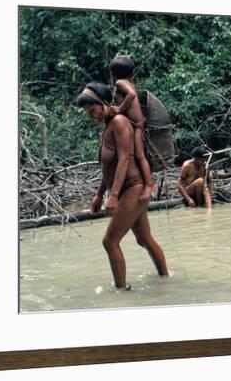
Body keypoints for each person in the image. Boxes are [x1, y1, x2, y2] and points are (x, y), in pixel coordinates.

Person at [76, 82, 169, 290]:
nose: (92, 116)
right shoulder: (108, 127)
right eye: (87, 113)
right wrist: (99, 195)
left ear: (104, 103)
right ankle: (166, 278)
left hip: (132, 188)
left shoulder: (119, 122)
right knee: (144, 239)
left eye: (93, 110)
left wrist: (114, 196)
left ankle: (121, 292)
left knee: (109, 241)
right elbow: (109, 167)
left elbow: (125, 159)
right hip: (126, 190)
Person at [109, 55, 154, 203]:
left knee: (139, 156)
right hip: (134, 124)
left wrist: (119, 109)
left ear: (113, 73)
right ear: (132, 72)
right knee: (134, 156)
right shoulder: (127, 82)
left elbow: (132, 95)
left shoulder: (121, 83)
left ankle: (148, 185)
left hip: (137, 124)